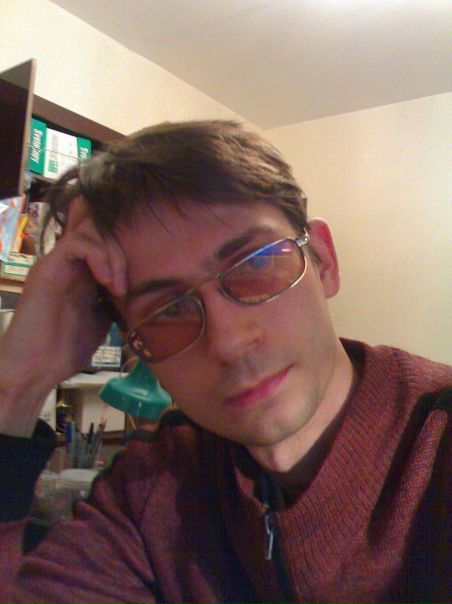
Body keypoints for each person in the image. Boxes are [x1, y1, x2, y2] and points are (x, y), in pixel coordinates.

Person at [0, 120, 451, 604]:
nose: (230, 342)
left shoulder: (438, 443)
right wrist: (16, 387)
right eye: (167, 310)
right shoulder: (152, 487)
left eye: (256, 263)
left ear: (324, 260)